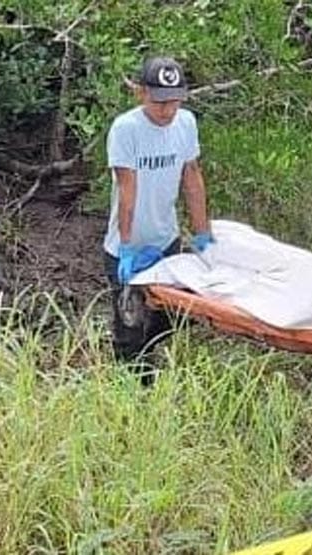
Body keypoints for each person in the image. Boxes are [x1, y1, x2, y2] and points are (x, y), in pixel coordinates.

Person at [102, 55, 213, 385]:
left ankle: (147, 361)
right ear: (141, 93)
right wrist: (126, 248)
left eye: (174, 102)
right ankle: (134, 395)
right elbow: (127, 190)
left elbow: (191, 177)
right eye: (160, 102)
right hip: (127, 247)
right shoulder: (126, 129)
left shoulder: (185, 123)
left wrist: (202, 233)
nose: (167, 110)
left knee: (177, 314)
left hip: (167, 241)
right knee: (130, 330)